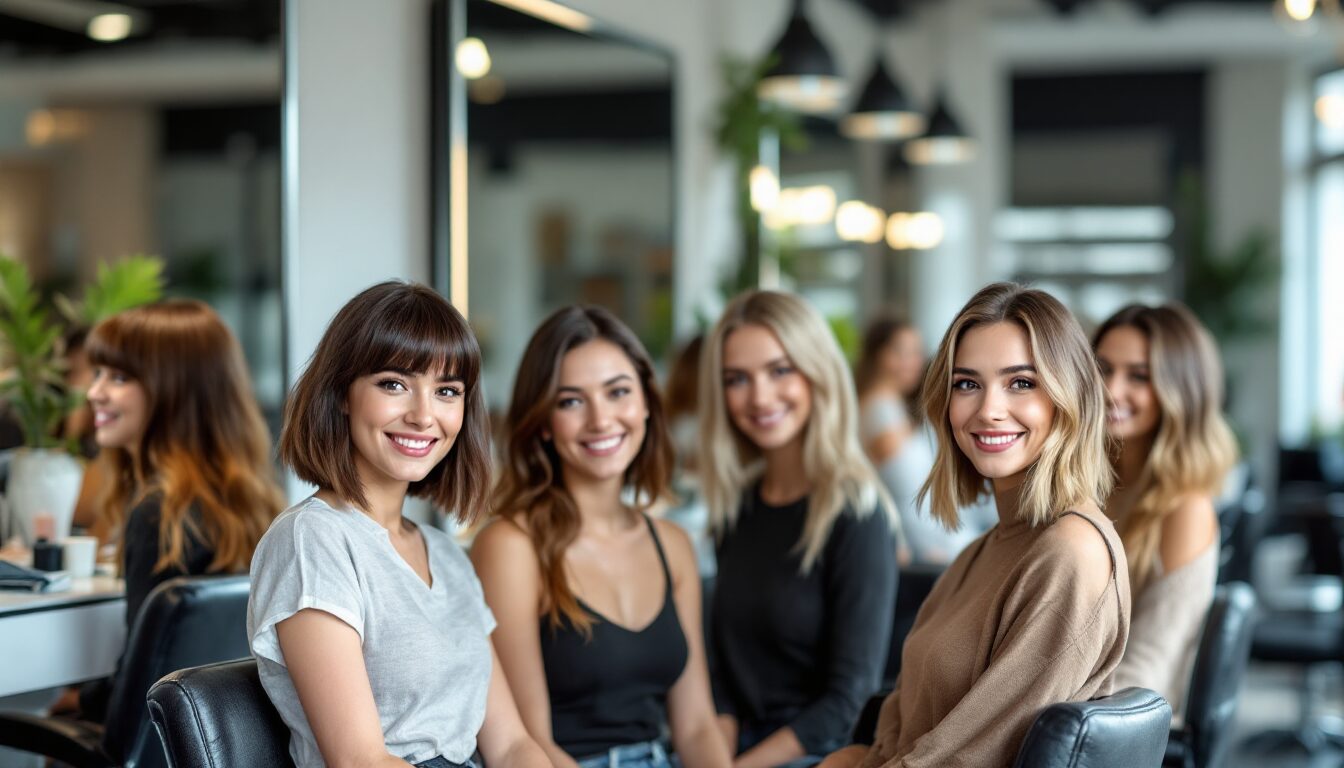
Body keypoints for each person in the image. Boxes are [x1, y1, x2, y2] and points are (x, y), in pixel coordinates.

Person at [824, 282, 1131, 768]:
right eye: (967, 384)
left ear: (1068, 397)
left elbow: (976, 757)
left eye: (1022, 383)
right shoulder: (983, 550)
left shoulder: (1070, 552)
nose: (988, 409)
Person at [247, 281, 547, 768]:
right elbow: (360, 761)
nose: (424, 415)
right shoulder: (313, 539)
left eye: (447, 391)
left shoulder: (446, 554)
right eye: (394, 384)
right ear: (342, 394)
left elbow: (512, 745)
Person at [472, 307, 729, 768]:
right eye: (571, 401)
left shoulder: (673, 544)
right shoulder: (511, 546)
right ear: (544, 423)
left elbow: (696, 727)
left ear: (647, 403)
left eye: (618, 393)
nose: (601, 419)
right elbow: (527, 742)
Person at [700, 290, 899, 767]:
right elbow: (724, 677)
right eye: (737, 379)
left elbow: (849, 698)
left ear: (817, 374)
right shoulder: (737, 506)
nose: (760, 396)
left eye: (780, 370)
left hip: (818, 753)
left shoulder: (858, 512)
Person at [70, 300, 285, 721]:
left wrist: (77, 700)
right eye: (97, 374)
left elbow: (142, 685)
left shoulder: (160, 514)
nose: (94, 392)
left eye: (118, 377)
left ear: (173, 390)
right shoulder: (252, 502)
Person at [1094, 303, 1237, 719]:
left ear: (1181, 390)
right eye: (1102, 369)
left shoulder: (1185, 507)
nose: (1111, 389)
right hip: (1080, 710)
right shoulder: (1099, 485)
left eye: (1138, 376)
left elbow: (1149, 670)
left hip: (1129, 727)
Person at [855, 317, 992, 565]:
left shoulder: (895, 409)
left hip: (934, 534)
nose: (913, 362)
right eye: (901, 352)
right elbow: (889, 488)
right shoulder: (878, 411)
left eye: (916, 353)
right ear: (878, 354)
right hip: (923, 542)